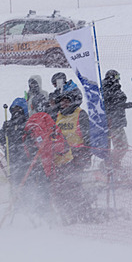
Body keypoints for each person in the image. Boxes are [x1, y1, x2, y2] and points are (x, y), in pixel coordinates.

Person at [53, 88, 94, 223]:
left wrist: (88, 155)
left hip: (77, 154)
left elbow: (87, 137)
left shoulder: (80, 114)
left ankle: (82, 211)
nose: (63, 104)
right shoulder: (57, 115)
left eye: (66, 101)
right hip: (61, 156)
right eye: (62, 101)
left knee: (74, 185)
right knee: (60, 186)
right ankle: (67, 211)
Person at [102, 69, 132, 171]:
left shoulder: (111, 88)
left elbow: (118, 105)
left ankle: (113, 164)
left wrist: (131, 105)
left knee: (121, 147)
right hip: (113, 123)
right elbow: (115, 105)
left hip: (116, 122)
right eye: (117, 77)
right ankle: (112, 165)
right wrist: (131, 104)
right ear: (112, 78)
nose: (118, 79)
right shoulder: (109, 89)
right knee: (122, 147)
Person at [0, 98, 30, 189]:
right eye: (14, 109)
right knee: (15, 182)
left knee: (26, 182)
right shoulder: (9, 124)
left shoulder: (28, 123)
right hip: (12, 158)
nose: (16, 112)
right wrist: (4, 131)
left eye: (18, 109)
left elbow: (30, 138)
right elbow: (1, 139)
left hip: (25, 158)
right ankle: (16, 198)